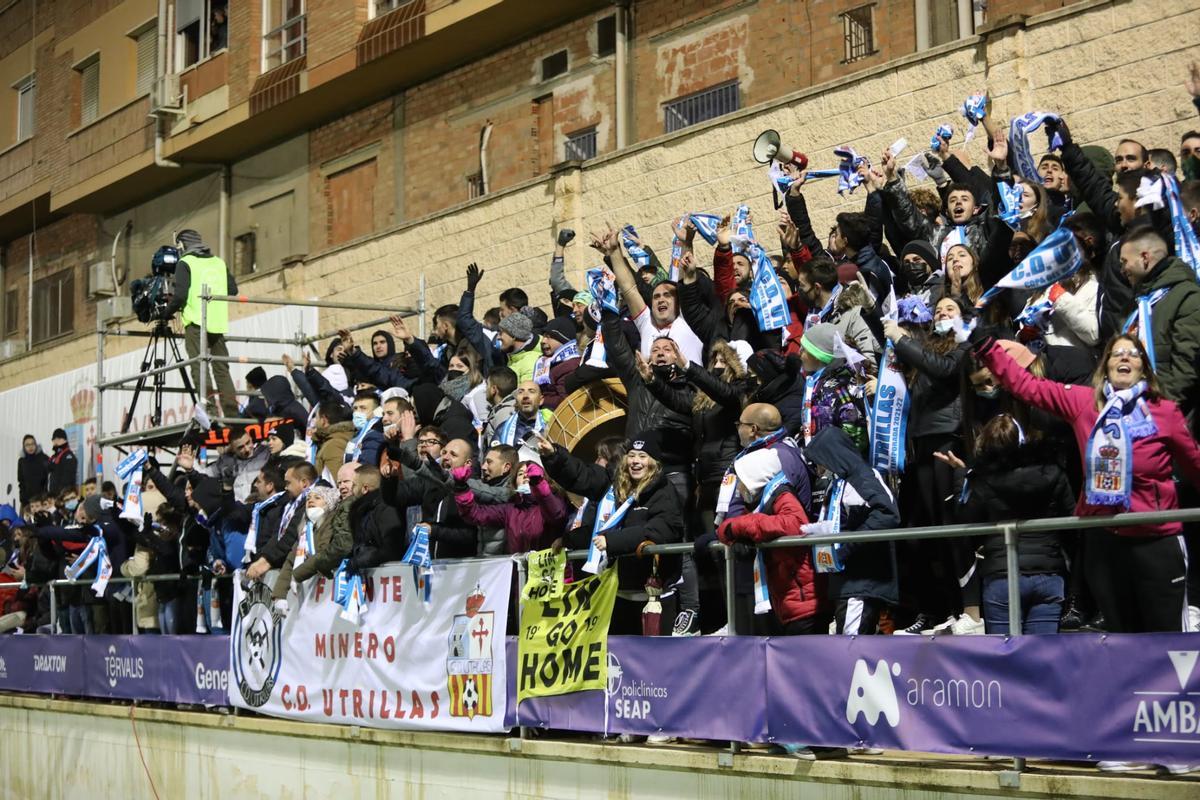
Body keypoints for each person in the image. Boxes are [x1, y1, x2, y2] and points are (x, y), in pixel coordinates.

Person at [973, 331, 1200, 632]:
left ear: (1144, 367)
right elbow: (1026, 386)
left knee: (1166, 642)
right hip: (1104, 543)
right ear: (1105, 366)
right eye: (1116, 353)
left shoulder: (1164, 412)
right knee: (1121, 639)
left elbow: (1195, 466)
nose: (1124, 357)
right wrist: (986, 345)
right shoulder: (1084, 403)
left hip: (1156, 541)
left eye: (1132, 354)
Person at [937, 415, 1073, 635]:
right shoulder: (1052, 472)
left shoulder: (981, 479)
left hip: (1001, 576)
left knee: (1005, 660)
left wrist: (961, 475)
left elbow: (965, 519)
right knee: (1042, 658)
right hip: (1048, 573)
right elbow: (1071, 519)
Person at [561, 432, 685, 635]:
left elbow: (662, 530)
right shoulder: (617, 490)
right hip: (618, 595)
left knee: (656, 663)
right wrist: (567, 539)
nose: (636, 461)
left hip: (654, 600)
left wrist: (613, 541)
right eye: (632, 455)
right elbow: (603, 529)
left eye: (643, 456)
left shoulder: (664, 491)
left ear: (653, 462)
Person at [1119, 226, 1200, 414]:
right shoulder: (1138, 303)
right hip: (1132, 412)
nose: (1122, 270)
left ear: (1145, 258)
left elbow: (1185, 371)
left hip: (1166, 419)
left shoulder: (1188, 298)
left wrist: (1160, 414)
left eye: (1124, 262)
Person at [163, 229, 239, 416]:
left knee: (200, 368)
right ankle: (232, 414)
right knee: (222, 370)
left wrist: (166, 313)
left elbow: (180, 296)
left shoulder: (185, 262)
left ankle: (211, 413)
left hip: (196, 324)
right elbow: (233, 289)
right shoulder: (218, 262)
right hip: (218, 323)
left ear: (182, 245)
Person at [17, 434, 50, 510]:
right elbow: (21, 481)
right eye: (27, 445)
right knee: (23, 521)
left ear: (36, 444)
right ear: (24, 447)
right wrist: (22, 498)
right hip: (27, 501)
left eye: (32, 444)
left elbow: (49, 479)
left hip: (41, 501)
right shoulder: (22, 461)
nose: (30, 447)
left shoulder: (44, 458)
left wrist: (45, 497)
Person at [46, 428, 77, 497]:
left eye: (59, 439)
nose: (56, 442)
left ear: (65, 440)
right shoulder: (54, 457)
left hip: (64, 495)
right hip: (53, 495)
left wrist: (61, 494)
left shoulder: (68, 456)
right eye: (54, 440)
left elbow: (68, 479)